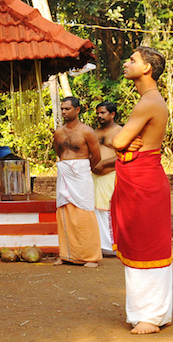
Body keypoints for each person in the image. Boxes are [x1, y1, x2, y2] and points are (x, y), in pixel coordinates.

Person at [111, 46, 171, 334]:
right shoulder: (148, 100)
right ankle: (149, 312)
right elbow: (123, 141)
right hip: (139, 179)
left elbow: (119, 141)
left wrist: (120, 140)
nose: (126, 63)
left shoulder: (148, 102)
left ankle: (152, 316)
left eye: (132, 60)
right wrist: (123, 140)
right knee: (138, 243)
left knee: (148, 246)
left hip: (144, 181)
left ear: (147, 68)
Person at [52, 96, 102, 267]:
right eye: (63, 109)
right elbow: (59, 153)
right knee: (64, 211)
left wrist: (83, 169)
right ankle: (66, 255)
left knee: (84, 213)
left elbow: (96, 156)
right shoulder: (58, 132)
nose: (64, 112)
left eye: (68, 109)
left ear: (77, 109)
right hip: (64, 171)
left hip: (81, 173)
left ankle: (90, 256)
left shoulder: (87, 131)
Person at [92, 101, 122, 256]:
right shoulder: (94, 132)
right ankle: (100, 244)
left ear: (112, 114)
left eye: (103, 113)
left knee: (109, 209)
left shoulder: (120, 131)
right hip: (94, 176)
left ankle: (112, 245)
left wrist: (104, 163)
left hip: (111, 175)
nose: (99, 116)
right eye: (98, 113)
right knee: (96, 209)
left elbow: (123, 155)